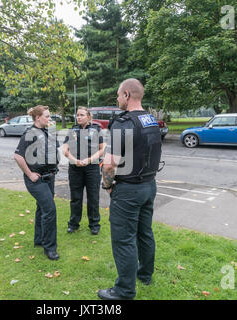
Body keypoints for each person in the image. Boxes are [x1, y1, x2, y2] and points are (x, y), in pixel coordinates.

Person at [98, 79, 162, 300]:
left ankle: (124, 291)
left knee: (123, 238)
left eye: (118, 95)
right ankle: (144, 275)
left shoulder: (123, 123)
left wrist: (107, 185)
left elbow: (109, 164)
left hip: (128, 190)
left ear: (127, 94)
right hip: (149, 185)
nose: (117, 99)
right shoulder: (151, 120)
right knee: (145, 232)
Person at [14, 105, 60, 260]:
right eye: (47, 116)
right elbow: (18, 157)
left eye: (50, 116)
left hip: (49, 177)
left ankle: (39, 239)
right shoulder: (29, 133)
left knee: (42, 209)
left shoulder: (47, 132)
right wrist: (30, 174)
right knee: (50, 210)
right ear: (38, 118)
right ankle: (50, 248)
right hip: (36, 179)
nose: (50, 119)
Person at [63, 107, 105, 235]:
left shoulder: (96, 130)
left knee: (93, 198)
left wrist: (89, 160)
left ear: (88, 116)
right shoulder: (72, 130)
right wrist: (74, 160)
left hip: (92, 168)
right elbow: (65, 150)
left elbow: (102, 149)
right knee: (76, 198)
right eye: (77, 115)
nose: (79, 117)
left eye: (81, 115)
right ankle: (73, 224)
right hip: (75, 169)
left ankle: (94, 224)